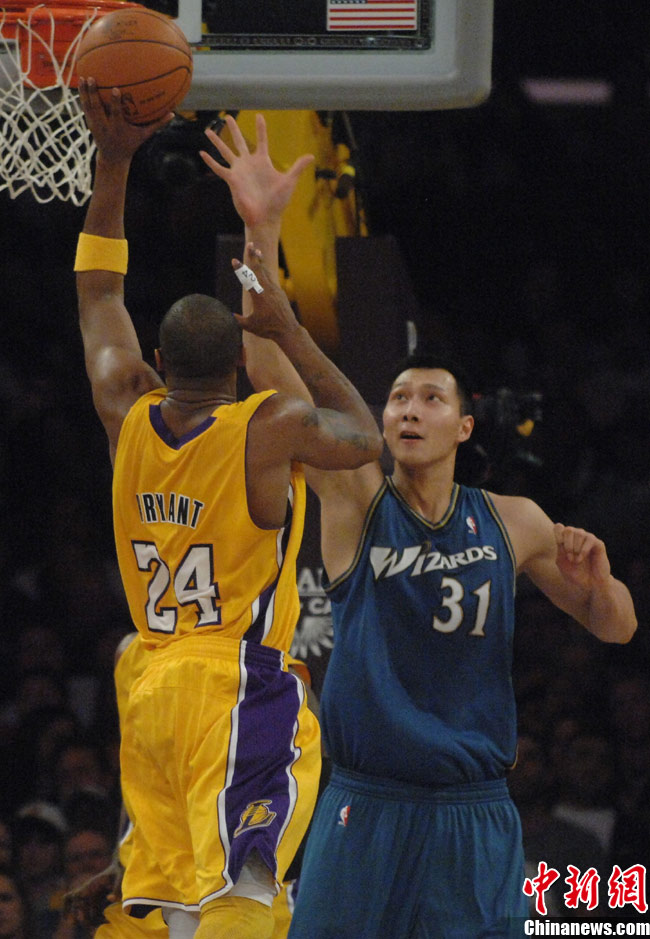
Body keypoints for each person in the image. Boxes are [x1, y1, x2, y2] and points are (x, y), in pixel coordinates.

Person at [201, 113, 638, 938]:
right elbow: (267, 364)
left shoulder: (513, 520)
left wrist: (601, 582)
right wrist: (262, 231)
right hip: (366, 804)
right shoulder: (356, 496)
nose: (408, 408)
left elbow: (617, 628)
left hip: (474, 811)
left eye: (430, 398)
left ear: (464, 426)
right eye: (398, 397)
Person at [73, 81, 383, 939]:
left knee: (168, 902)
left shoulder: (124, 406)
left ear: (157, 356)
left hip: (149, 682)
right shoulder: (266, 429)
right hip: (235, 684)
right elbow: (363, 434)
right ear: (238, 369)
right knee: (246, 889)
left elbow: (99, 296)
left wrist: (114, 163)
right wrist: (284, 325)